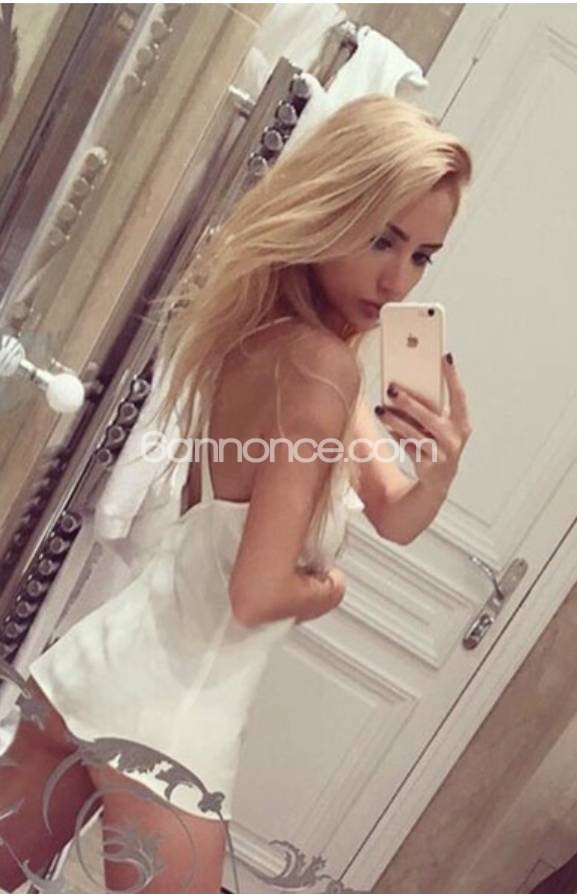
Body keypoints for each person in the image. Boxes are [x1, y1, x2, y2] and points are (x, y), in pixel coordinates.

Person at [0, 94, 473, 893]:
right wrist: (330, 587)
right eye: (381, 239)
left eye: (422, 255)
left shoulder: (274, 338)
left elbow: (394, 513)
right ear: (329, 209)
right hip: (169, 720)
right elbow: (257, 594)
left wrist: (442, 467)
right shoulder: (321, 368)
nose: (397, 280)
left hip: (100, 667)